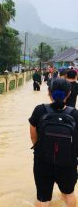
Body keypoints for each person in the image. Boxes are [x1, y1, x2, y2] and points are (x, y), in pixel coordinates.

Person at [29, 78, 78, 207]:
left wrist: (39, 149)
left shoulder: (39, 110)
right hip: (68, 163)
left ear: (49, 92)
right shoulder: (75, 114)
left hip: (43, 162)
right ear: (69, 94)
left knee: (43, 198)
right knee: (69, 194)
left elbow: (33, 136)